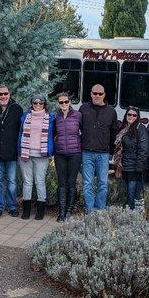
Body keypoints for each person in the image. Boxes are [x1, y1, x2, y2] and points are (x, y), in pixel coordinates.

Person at [79, 84, 118, 213]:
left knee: (103, 183)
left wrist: (111, 151)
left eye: (100, 94)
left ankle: (100, 210)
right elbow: (77, 128)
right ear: (90, 94)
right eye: (95, 93)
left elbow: (114, 133)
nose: (97, 96)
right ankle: (90, 211)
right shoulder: (83, 108)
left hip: (103, 154)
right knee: (87, 184)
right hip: (87, 152)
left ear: (104, 95)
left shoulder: (111, 111)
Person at [17, 94, 56, 220]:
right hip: (26, 153)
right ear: (32, 104)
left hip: (42, 155)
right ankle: (26, 211)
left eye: (41, 103)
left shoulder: (51, 118)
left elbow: (54, 135)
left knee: (40, 182)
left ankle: (40, 211)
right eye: (35, 103)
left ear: (45, 104)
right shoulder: (24, 117)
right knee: (27, 182)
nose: (38, 105)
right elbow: (20, 133)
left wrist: (52, 151)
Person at [0, 85, 23, 217]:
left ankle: (12, 206)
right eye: (0, 94)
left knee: (12, 181)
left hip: (11, 151)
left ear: (9, 94)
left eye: (5, 93)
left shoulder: (17, 108)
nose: (3, 96)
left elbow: (21, 129)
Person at [113, 106, 149, 210]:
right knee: (127, 192)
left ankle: (134, 217)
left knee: (133, 193)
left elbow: (144, 150)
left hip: (135, 168)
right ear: (126, 115)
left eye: (134, 115)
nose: (131, 117)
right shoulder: (124, 128)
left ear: (138, 117)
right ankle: (129, 214)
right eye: (129, 114)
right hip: (124, 166)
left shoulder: (141, 129)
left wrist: (139, 168)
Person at [54, 92, 82, 222]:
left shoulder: (78, 116)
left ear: (70, 102)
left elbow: (84, 132)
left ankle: (69, 211)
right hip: (60, 154)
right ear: (58, 104)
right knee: (62, 184)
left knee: (71, 183)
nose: (64, 104)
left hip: (74, 154)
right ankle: (62, 212)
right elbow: (53, 134)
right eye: (61, 102)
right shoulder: (56, 117)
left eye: (66, 101)